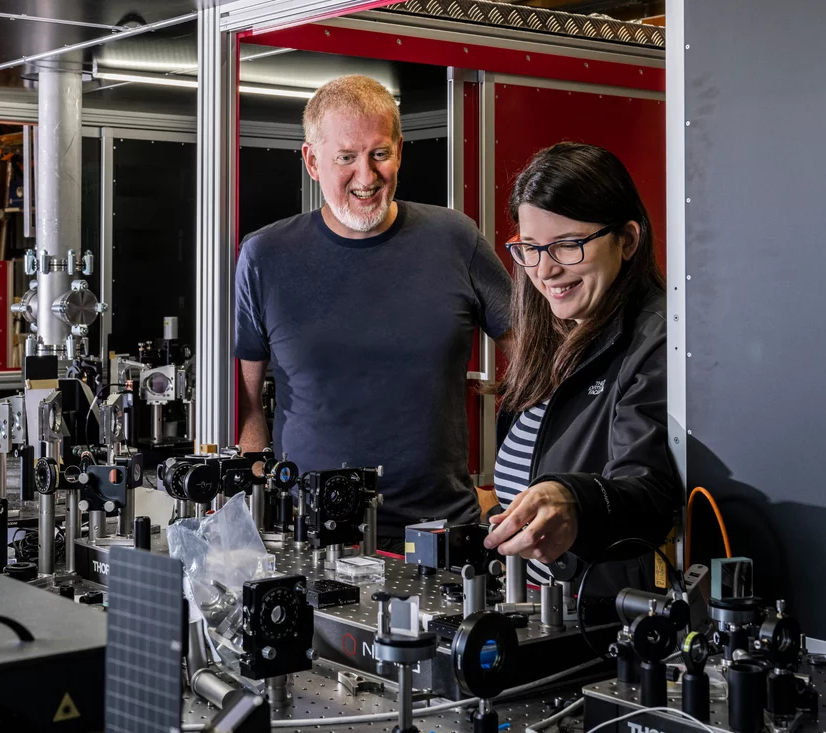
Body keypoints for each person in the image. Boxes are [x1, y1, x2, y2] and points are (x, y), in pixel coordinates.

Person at [234, 74, 513, 552]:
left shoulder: (456, 238)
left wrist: (523, 480)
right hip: (309, 535)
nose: (366, 177)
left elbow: (538, 358)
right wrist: (253, 518)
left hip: (440, 534)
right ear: (312, 160)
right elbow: (249, 407)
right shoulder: (264, 256)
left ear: (399, 151)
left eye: (379, 154)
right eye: (346, 158)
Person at [482, 142, 679, 586]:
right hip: (532, 610)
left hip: (600, 627)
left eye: (567, 246)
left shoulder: (657, 340)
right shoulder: (554, 338)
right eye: (530, 247)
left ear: (627, 240)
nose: (544, 270)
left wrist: (573, 499)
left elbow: (648, 495)